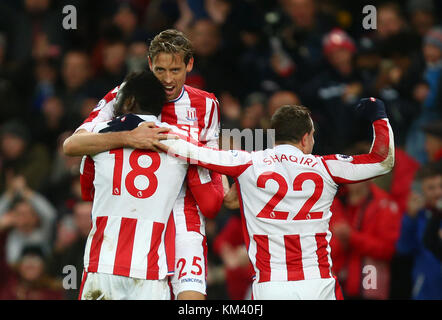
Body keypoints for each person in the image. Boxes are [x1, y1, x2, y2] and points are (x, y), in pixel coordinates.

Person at [158, 97, 395, 299]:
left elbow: (190, 151)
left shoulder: (248, 162)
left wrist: (148, 128)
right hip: (319, 283)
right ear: (306, 138)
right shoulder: (327, 167)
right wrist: (379, 116)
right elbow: (383, 160)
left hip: (271, 285)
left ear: (273, 138)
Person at [63, 29, 224, 300]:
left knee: (191, 298)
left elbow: (213, 157)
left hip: (183, 212)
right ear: (149, 64)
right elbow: (75, 143)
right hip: (137, 209)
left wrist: (224, 191)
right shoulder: (126, 92)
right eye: (160, 70)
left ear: (190, 64)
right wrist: (129, 137)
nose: (168, 79)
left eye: (175, 69)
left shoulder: (207, 105)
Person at [396, 162, 442, 299]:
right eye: (431, 188)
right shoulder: (416, 217)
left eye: (441, 186)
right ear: (421, 191)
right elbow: (403, 248)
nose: (438, 192)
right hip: (426, 291)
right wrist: (410, 218)